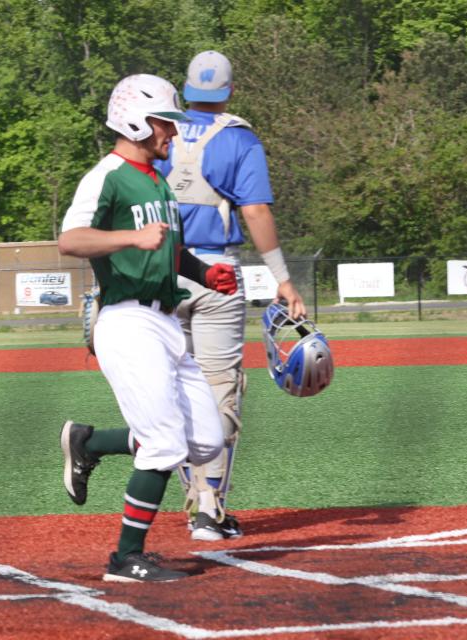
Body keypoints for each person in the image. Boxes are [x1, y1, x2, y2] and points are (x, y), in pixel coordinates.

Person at [58, 74, 239, 583]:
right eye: (166, 122)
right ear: (136, 120)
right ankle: (125, 558)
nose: (173, 133)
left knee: (205, 442)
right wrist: (131, 238)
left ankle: (90, 444)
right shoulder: (108, 175)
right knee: (163, 443)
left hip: (164, 320)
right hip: (127, 319)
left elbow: (166, 248)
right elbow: (70, 240)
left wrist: (205, 273)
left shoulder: (157, 180)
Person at [153, 50, 307, 541]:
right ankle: (208, 507)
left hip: (157, 268)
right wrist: (282, 278)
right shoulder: (240, 138)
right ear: (230, 92)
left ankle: (192, 497)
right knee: (220, 388)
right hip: (215, 271)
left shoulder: (157, 132)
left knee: (171, 389)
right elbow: (256, 211)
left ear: (185, 89)